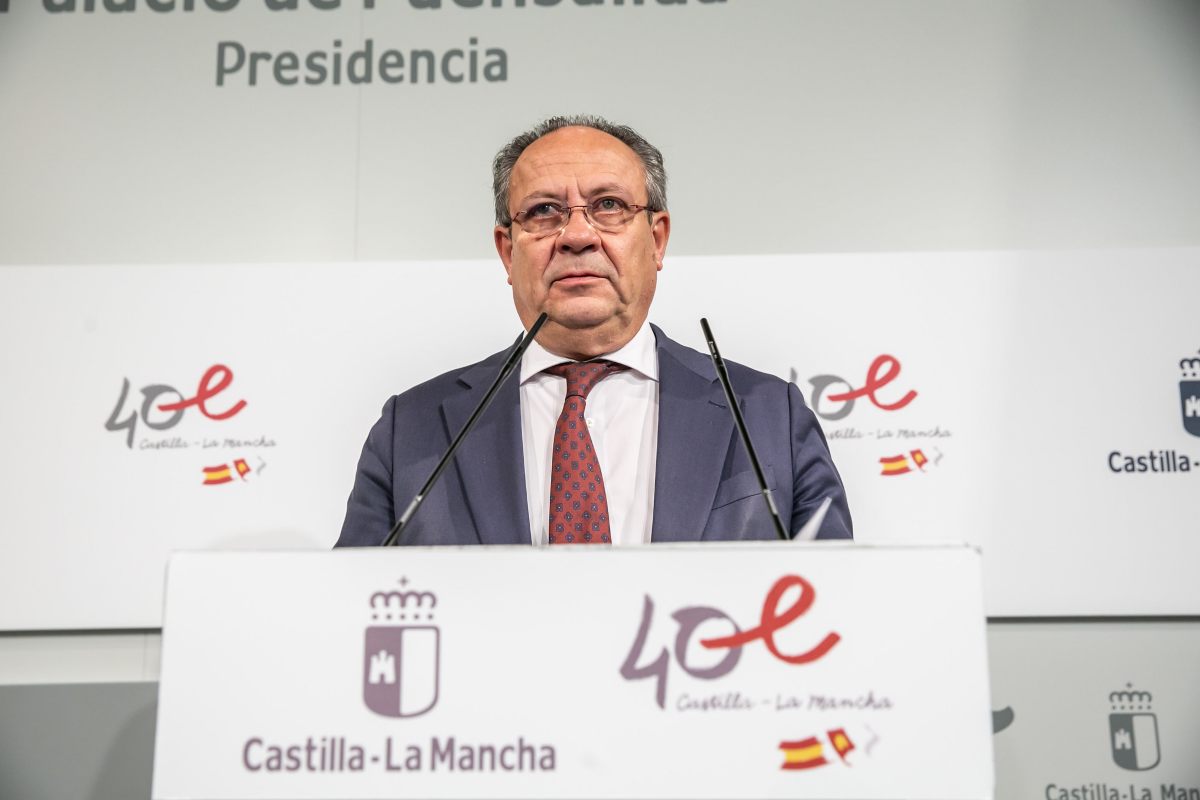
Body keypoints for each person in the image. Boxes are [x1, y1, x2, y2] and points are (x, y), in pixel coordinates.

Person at [336, 115, 851, 547]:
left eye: (608, 206)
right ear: (506, 251)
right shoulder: (414, 429)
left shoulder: (768, 416)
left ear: (657, 238)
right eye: (543, 212)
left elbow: (834, 610)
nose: (577, 236)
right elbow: (351, 618)